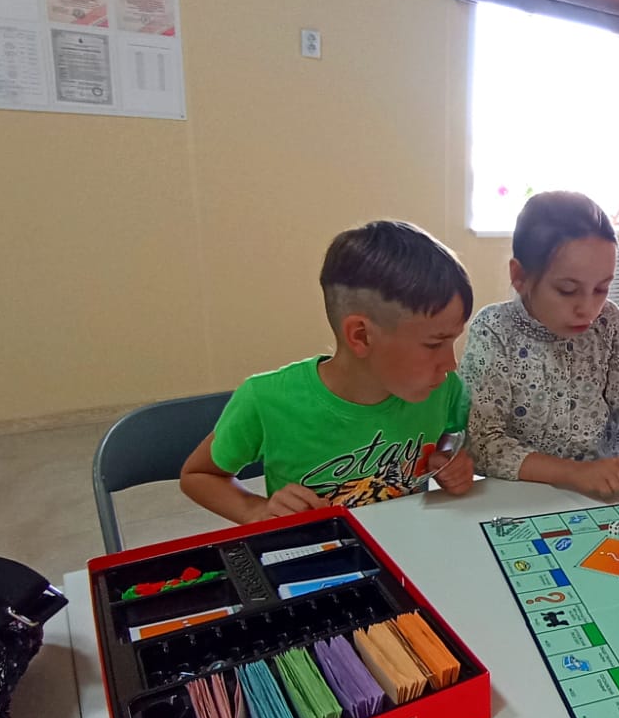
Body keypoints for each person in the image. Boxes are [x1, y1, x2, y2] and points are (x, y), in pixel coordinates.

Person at [180, 221, 476, 522]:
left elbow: (451, 432)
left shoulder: (443, 388)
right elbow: (199, 475)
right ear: (361, 336)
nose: (451, 363)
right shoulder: (264, 400)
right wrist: (256, 510)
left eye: (453, 341)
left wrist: (447, 456)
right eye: (434, 344)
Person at [459, 191, 619, 502]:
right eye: (567, 290)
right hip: (522, 500)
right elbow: (482, 443)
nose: (588, 309)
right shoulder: (494, 329)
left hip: (605, 496)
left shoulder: (609, 322)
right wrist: (573, 472)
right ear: (520, 276)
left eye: (602, 288)